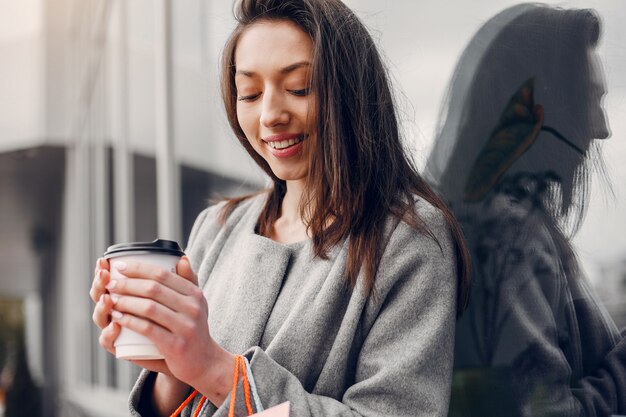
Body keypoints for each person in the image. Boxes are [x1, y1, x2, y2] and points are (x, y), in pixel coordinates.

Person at [89, 0, 471, 416]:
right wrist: (171, 361)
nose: (270, 114)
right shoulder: (218, 227)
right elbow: (184, 396)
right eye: (249, 93)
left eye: (299, 87)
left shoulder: (408, 241)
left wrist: (215, 368)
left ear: (350, 92)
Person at [424, 4, 626, 417]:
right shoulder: (508, 236)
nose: (603, 126)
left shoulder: (480, 223)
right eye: (592, 98)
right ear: (549, 106)